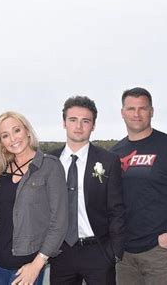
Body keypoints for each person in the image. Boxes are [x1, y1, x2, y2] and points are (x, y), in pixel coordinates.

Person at [110, 87, 167, 285]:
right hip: (124, 253)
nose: (136, 114)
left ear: (151, 111)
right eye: (131, 109)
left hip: (161, 251)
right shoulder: (115, 153)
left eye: (142, 108)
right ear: (122, 113)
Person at [49, 96, 125, 285]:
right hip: (60, 252)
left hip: (98, 250)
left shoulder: (108, 160)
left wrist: (114, 251)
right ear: (64, 123)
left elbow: (117, 209)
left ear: (93, 125)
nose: (79, 126)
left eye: (86, 121)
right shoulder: (49, 160)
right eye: (73, 120)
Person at [0, 111, 68, 285]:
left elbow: (59, 222)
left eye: (16, 130)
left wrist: (36, 265)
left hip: (26, 266)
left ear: (27, 131)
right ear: (1, 142)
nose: (13, 138)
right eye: (5, 135)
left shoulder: (50, 166)